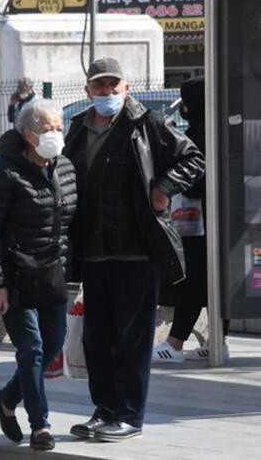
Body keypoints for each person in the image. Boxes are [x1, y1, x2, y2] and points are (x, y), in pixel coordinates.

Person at [64, 58, 205, 442]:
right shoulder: (77, 129)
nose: (107, 91)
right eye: (99, 85)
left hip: (137, 249)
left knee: (132, 338)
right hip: (93, 250)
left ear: (125, 87)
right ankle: (104, 410)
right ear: (87, 91)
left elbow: (193, 159)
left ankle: (129, 415)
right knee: (98, 338)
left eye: (113, 84)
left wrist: (162, 189)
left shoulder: (149, 124)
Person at [0, 99, 77, 450]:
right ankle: (41, 426)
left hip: (51, 272)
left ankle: (5, 400)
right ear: (29, 135)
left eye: (59, 128)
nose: (56, 135)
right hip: (15, 274)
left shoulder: (64, 168)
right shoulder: (4, 172)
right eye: (48, 129)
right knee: (31, 348)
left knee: (51, 346)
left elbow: (70, 225)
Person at [153, 76, 231, 363]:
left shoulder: (204, 135)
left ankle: (174, 344)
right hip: (214, 223)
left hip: (201, 225)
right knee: (210, 282)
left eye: (186, 102)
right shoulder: (212, 129)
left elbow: (200, 179)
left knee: (194, 281)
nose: (183, 108)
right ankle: (216, 342)